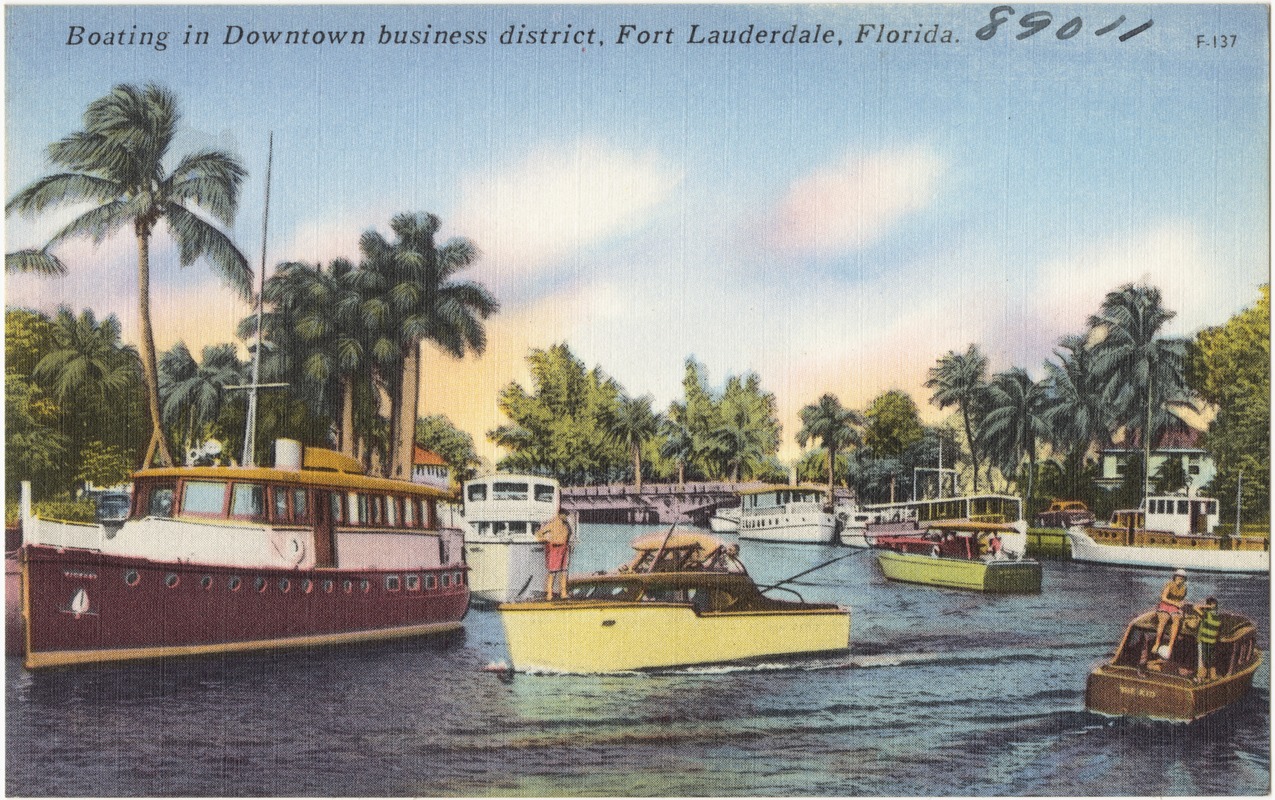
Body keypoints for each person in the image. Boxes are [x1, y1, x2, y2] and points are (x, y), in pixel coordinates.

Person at [535, 512, 574, 599]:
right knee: (552, 572)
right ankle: (549, 594)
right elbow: (539, 534)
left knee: (564, 572)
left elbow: (570, 535)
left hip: (564, 549)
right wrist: (547, 540)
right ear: (560, 515)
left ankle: (563, 593)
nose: (566, 517)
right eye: (565, 515)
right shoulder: (553, 523)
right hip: (555, 549)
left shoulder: (566, 524)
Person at [1152, 568, 1189, 658]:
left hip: (1175, 607)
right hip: (1166, 604)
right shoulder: (1169, 584)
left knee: (1176, 620)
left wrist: (1181, 604)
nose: (1180, 579)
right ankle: (1157, 643)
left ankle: (1170, 646)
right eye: (1178, 577)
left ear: (1184, 579)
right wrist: (1175, 603)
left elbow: (1181, 599)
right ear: (1175, 577)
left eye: (1182, 578)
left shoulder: (1184, 588)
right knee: (1164, 619)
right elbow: (1163, 598)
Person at [1194, 596, 1222, 682]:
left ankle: (1203, 677)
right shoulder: (1217, 617)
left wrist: (1207, 606)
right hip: (1210, 641)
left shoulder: (1207, 615)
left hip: (1206, 641)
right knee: (1209, 659)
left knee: (1205, 659)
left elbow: (1195, 607)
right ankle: (1209, 676)